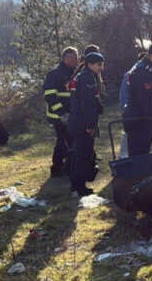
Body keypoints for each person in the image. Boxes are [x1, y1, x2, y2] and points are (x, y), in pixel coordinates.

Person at [67, 52, 105, 196]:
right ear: (90, 65)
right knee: (83, 156)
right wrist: (90, 125)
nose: (101, 67)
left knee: (78, 156)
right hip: (83, 123)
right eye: (98, 64)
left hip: (77, 121)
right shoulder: (88, 78)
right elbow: (88, 104)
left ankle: (75, 186)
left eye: (102, 64)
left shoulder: (81, 76)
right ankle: (80, 187)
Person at [123, 42, 152, 156]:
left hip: (143, 120)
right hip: (138, 121)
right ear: (151, 56)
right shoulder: (143, 73)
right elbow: (147, 103)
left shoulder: (151, 70)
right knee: (138, 159)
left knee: (143, 156)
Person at [43, 47, 79, 177]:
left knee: (62, 140)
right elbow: (50, 96)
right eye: (75, 58)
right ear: (67, 59)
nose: (77, 60)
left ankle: (58, 167)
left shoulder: (72, 73)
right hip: (59, 116)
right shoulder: (55, 74)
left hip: (70, 115)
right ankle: (62, 168)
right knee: (66, 140)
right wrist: (62, 113)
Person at [118, 52, 147, 159]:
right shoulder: (130, 74)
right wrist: (123, 107)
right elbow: (124, 92)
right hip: (130, 110)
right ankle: (123, 156)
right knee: (128, 134)